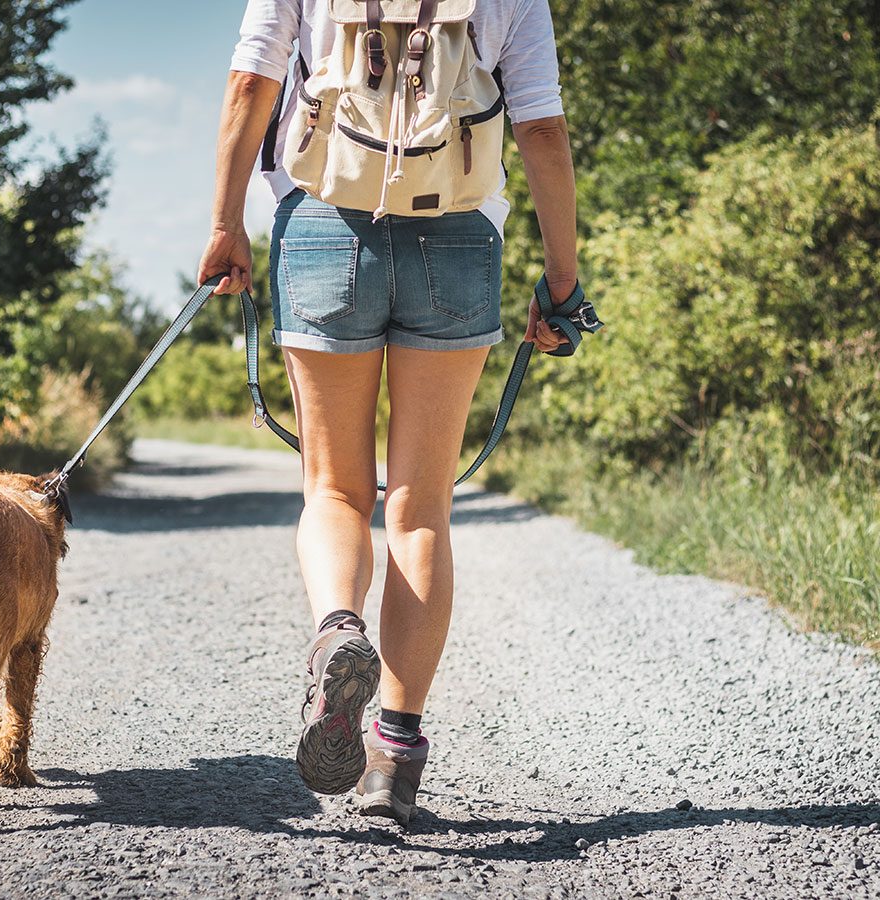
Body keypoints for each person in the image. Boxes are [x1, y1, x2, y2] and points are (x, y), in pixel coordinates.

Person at [198, 0, 576, 826]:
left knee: (334, 490)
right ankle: (393, 760)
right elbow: (541, 132)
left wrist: (227, 226)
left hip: (325, 230)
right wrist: (563, 281)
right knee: (420, 509)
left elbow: (249, 82)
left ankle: (338, 630)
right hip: (460, 238)